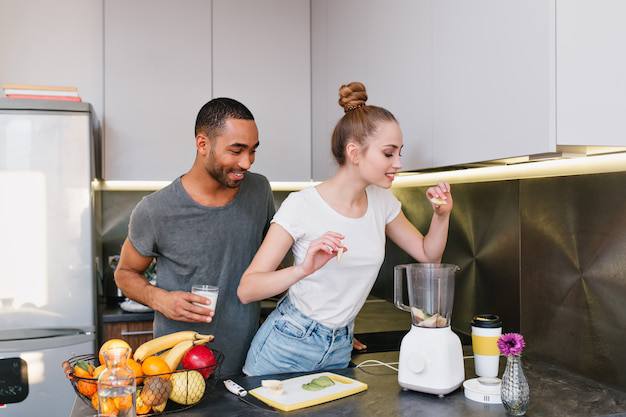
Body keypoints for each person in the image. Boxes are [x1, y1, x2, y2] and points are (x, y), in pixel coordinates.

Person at [237, 82, 453, 376]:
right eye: (389, 154)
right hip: (286, 345)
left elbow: (429, 256)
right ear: (354, 152)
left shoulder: (383, 203)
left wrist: (442, 215)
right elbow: (248, 290)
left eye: (400, 153)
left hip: (340, 346)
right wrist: (303, 269)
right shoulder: (301, 205)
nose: (398, 163)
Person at [114, 98, 275, 376]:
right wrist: (159, 299)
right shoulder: (155, 210)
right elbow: (125, 273)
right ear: (203, 144)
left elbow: (274, 266)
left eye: (252, 151)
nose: (246, 162)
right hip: (178, 367)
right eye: (236, 150)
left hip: (250, 362)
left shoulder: (259, 191)